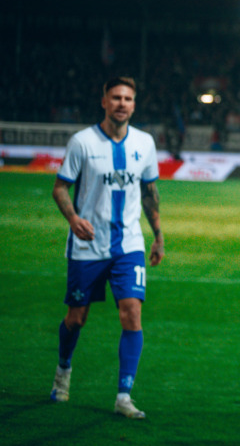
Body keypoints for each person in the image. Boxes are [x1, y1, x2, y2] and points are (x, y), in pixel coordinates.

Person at [49, 76, 165, 420]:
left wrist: (157, 235)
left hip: (129, 244)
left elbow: (149, 193)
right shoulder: (82, 142)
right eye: (116, 97)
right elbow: (59, 188)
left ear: (134, 104)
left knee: (132, 313)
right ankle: (63, 372)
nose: (122, 103)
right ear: (104, 102)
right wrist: (72, 219)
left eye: (128, 98)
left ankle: (123, 396)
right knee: (76, 318)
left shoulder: (145, 143)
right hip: (88, 246)